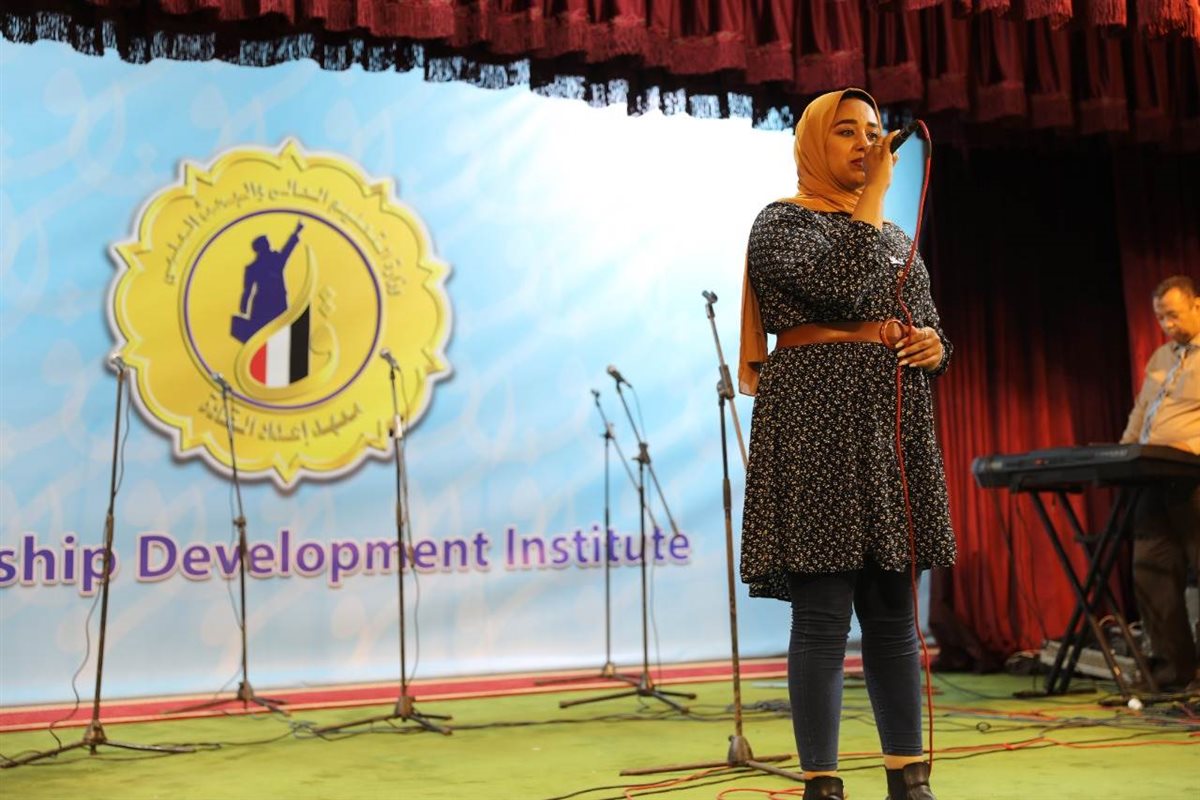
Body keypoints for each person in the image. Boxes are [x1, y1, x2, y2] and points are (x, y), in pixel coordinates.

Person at [737, 88, 957, 800]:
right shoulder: (781, 222)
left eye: (873, 130)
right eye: (847, 132)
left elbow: (925, 319)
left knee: (893, 614)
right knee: (824, 613)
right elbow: (839, 286)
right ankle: (823, 784)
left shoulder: (892, 237)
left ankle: (908, 778)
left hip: (888, 428)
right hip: (815, 423)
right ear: (812, 143)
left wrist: (934, 346)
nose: (867, 143)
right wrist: (875, 197)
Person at [1120, 275, 1200, 693]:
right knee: (1150, 568)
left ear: (1197, 305)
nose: (1167, 324)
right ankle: (1173, 672)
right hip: (1153, 477)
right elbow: (1141, 413)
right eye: (1160, 318)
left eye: (1173, 315)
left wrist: (1191, 447)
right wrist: (1122, 456)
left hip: (1194, 477)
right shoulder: (1160, 357)